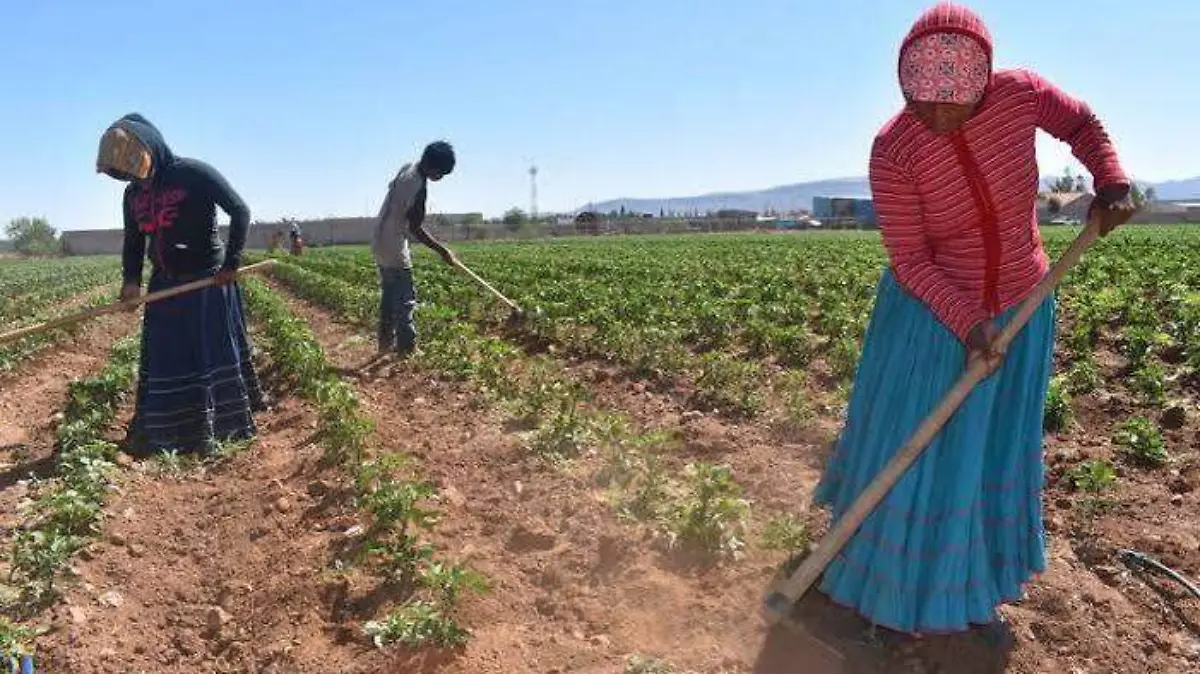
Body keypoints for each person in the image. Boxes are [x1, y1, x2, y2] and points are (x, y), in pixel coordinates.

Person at [811, 1, 1135, 645]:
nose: (938, 116)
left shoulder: (1020, 96)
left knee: (985, 447)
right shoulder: (894, 148)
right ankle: (888, 595)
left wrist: (1111, 178)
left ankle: (971, 583)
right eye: (923, 103)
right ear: (906, 88)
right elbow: (910, 260)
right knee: (920, 448)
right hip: (931, 313)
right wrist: (967, 324)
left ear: (983, 82)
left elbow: (1083, 123)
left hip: (1022, 300)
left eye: (954, 101)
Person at [96, 113, 264, 457]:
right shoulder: (132, 196)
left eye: (132, 170)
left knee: (209, 355)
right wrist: (131, 282)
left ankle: (219, 429)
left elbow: (240, 210)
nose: (131, 179)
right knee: (167, 356)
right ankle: (168, 431)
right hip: (164, 287)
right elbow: (133, 242)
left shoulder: (193, 174)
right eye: (124, 174)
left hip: (207, 283)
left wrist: (231, 263)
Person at [370, 141, 460, 356]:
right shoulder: (417, 187)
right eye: (442, 174)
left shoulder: (408, 168)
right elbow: (415, 228)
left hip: (379, 238)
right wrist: (442, 250)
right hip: (393, 244)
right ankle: (406, 347)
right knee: (405, 297)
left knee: (389, 295)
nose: (441, 178)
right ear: (434, 168)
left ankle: (384, 343)